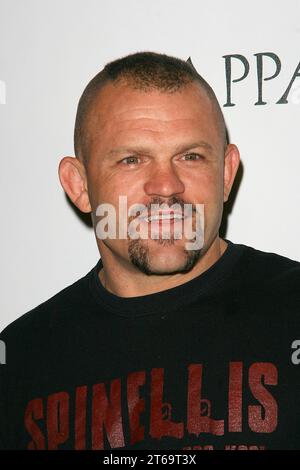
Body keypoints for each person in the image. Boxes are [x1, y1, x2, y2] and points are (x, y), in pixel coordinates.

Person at [0, 51, 299, 451]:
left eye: (190, 156)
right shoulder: (21, 360)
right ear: (80, 185)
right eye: (131, 160)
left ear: (226, 174)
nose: (165, 185)